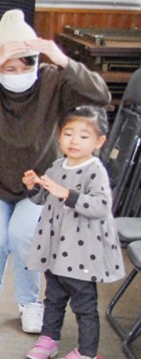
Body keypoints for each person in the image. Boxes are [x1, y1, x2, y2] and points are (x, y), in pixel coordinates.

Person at [0, 9, 110, 333]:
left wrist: (62, 59)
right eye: (8, 67)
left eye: (25, 66)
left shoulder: (53, 80)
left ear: (36, 62)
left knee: (24, 236)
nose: (17, 73)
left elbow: (100, 95)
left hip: (40, 183)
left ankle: (30, 301)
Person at [22, 106, 124, 359]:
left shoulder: (95, 170)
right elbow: (42, 199)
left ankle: (87, 352)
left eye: (84, 136)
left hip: (82, 253)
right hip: (55, 248)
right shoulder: (57, 166)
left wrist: (68, 194)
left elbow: (101, 206)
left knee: (84, 304)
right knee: (53, 298)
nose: (74, 141)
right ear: (59, 136)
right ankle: (49, 339)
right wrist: (33, 187)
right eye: (68, 133)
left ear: (99, 141)